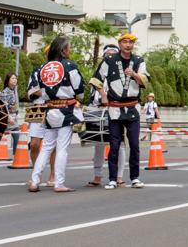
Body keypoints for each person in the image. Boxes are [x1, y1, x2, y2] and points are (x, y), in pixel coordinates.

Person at [91, 32, 149, 189]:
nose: (128, 45)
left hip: (133, 107)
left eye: (130, 42)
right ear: (120, 44)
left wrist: (134, 74)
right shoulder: (109, 60)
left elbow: (145, 81)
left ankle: (135, 177)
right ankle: (112, 178)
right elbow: (96, 80)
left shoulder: (138, 60)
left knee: (134, 144)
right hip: (115, 107)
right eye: (125, 42)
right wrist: (103, 95)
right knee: (114, 144)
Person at [29, 36, 84, 193]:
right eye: (69, 47)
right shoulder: (69, 65)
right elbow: (79, 90)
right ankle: (59, 183)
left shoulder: (43, 68)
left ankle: (35, 181)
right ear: (63, 50)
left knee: (46, 147)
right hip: (65, 109)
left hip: (49, 108)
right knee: (62, 148)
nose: (70, 50)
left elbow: (39, 88)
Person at [85, 45, 126, 188]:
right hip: (99, 111)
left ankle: (119, 177)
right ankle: (97, 177)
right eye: (107, 55)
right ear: (103, 58)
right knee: (98, 145)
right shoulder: (98, 75)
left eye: (113, 55)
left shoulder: (122, 76)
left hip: (116, 111)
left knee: (119, 145)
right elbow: (93, 96)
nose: (110, 58)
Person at [26, 47, 57, 187]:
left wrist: (46, 92)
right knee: (34, 144)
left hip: (55, 107)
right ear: (45, 55)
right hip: (38, 108)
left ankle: (53, 174)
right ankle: (36, 174)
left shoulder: (61, 71)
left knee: (54, 145)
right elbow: (33, 90)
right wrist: (50, 92)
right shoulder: (37, 71)